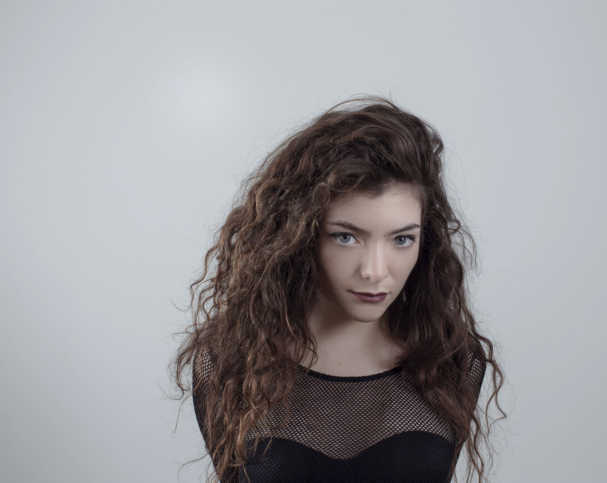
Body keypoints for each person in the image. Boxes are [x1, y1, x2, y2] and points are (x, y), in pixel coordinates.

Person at [172, 95, 506, 483]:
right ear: (299, 236)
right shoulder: (228, 363)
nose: (375, 271)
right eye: (346, 237)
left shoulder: (452, 361)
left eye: (402, 239)